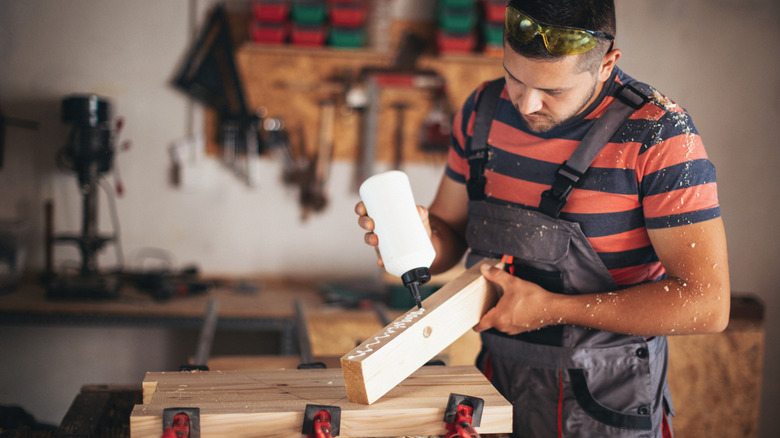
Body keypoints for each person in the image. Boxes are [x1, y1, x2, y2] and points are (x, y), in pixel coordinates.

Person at [355, 0, 730, 436]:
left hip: (608, 402)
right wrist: (420, 239)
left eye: (553, 91)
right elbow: (449, 239)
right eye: (514, 77)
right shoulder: (482, 110)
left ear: (607, 64)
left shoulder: (660, 136)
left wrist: (552, 309)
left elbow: (707, 304)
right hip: (498, 386)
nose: (526, 103)